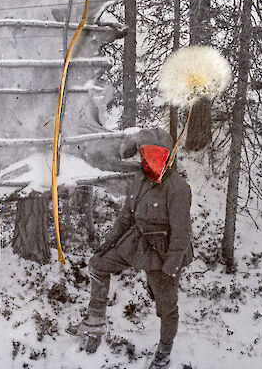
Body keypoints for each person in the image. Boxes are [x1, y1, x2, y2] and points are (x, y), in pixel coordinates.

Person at [68, 144, 193, 367]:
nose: (143, 165)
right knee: (98, 264)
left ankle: (164, 352)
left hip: (163, 251)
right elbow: (125, 218)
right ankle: (95, 323)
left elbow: (182, 235)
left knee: (166, 305)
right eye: (142, 161)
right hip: (136, 242)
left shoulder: (177, 188)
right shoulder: (139, 179)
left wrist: (170, 268)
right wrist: (108, 244)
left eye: (146, 161)